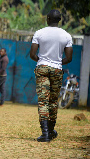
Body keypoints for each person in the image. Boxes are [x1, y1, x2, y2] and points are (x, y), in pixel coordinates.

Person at [30, 9, 73, 142]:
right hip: (57, 70)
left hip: (42, 68)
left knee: (43, 101)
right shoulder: (66, 36)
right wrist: (56, 62)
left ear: (48, 19)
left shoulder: (39, 33)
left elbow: (32, 54)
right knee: (53, 101)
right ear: (60, 20)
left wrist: (43, 62)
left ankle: (45, 134)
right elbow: (69, 58)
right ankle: (51, 131)